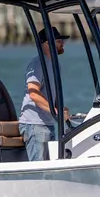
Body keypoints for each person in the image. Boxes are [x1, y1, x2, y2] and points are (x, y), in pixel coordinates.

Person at [19, 26, 70, 161]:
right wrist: (55, 112)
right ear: (47, 43)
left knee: (49, 168)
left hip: (47, 124)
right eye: (59, 41)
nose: (62, 44)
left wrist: (59, 109)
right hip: (34, 125)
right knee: (40, 169)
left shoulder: (54, 64)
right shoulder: (37, 64)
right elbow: (33, 93)